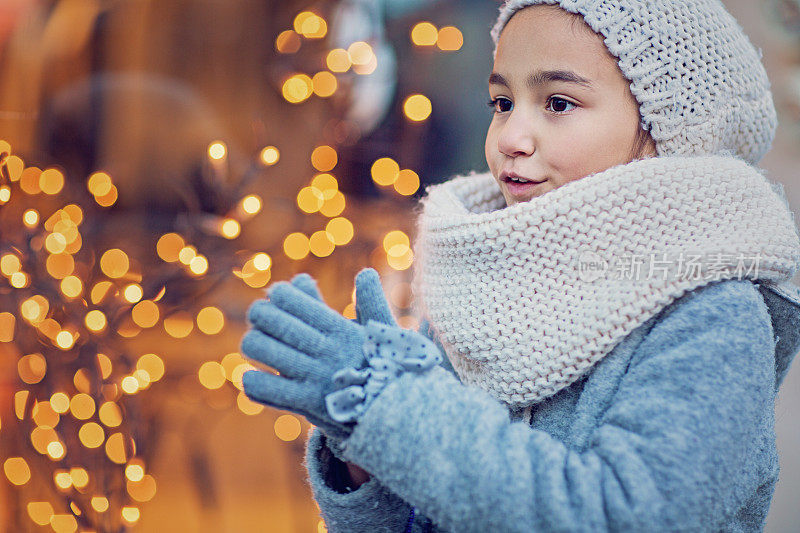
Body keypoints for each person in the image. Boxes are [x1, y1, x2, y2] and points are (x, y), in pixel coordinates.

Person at [240, 1, 800, 531]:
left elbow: (627, 517)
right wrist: (363, 452)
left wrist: (392, 410)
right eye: (502, 103)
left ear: (665, 132)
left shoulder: (715, 317)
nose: (509, 137)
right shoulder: (482, 283)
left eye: (558, 103)